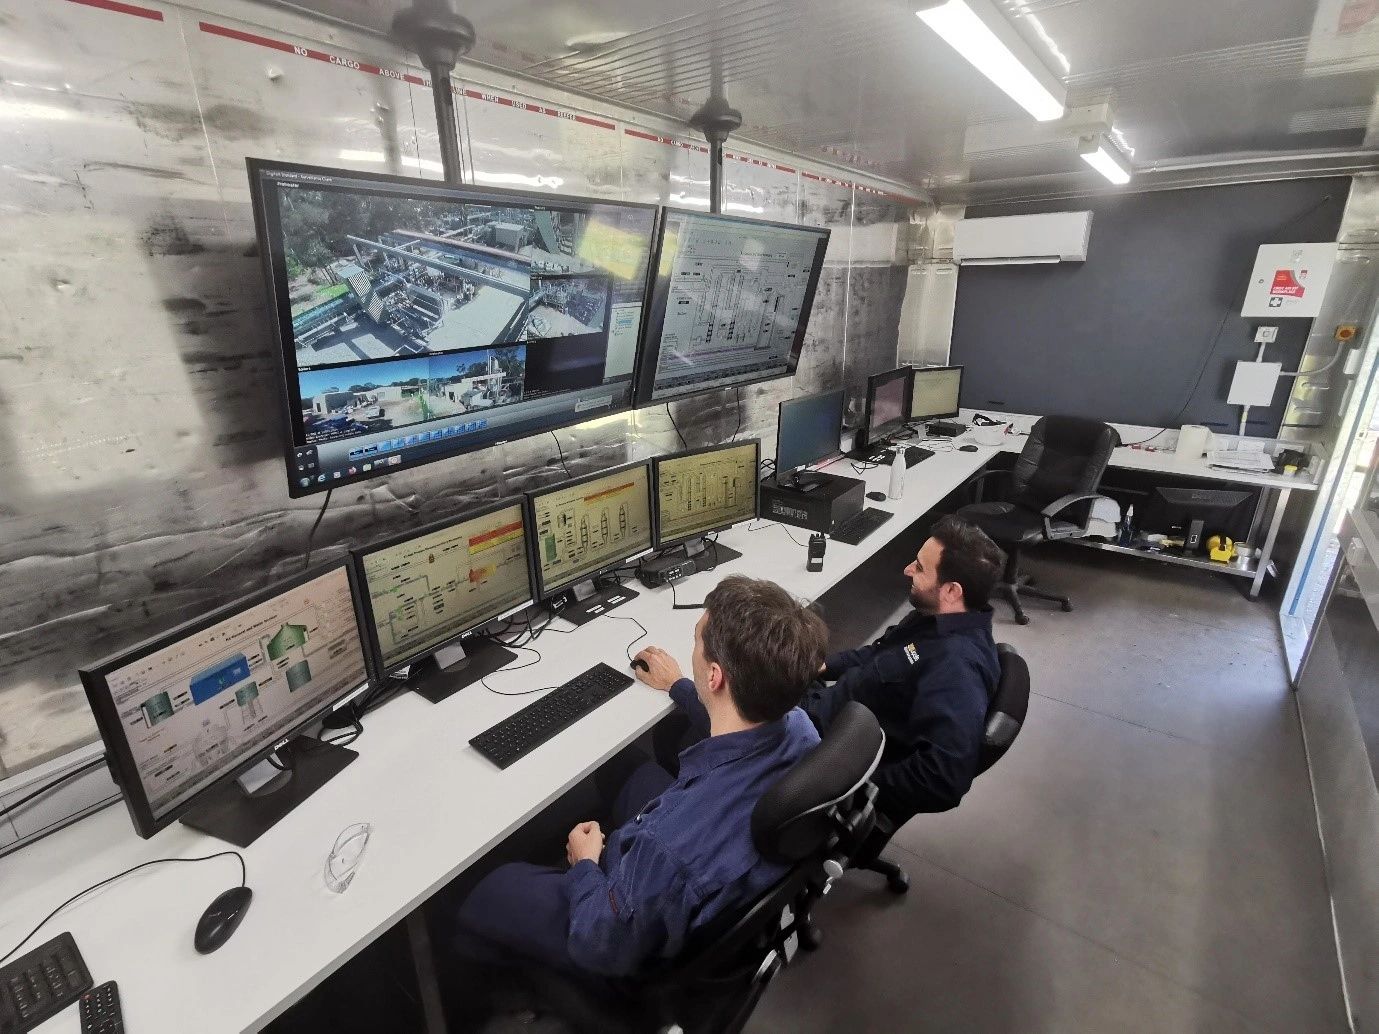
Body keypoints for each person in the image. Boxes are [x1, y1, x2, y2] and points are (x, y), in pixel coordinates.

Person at [444, 575, 825, 999]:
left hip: (620, 936)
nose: (692, 649)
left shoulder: (666, 850)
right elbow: (743, 731)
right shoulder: (800, 728)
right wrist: (680, 685)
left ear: (715, 676)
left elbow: (599, 944)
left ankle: (513, 988)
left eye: (697, 639)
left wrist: (585, 867)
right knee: (624, 768)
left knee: (490, 890)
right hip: (722, 840)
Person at [803, 514, 1004, 827]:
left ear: (952, 590)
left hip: (823, 744)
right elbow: (879, 653)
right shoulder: (932, 618)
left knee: (711, 697)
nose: (907, 569)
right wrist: (823, 666)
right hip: (831, 708)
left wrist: (852, 790)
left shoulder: (956, 667)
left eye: (920, 568)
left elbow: (943, 778)